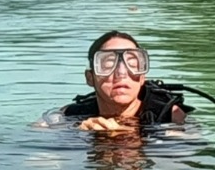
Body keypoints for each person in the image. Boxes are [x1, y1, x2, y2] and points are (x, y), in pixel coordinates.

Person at [55, 30, 194, 133]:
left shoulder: (171, 115)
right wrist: (78, 136)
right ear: (90, 78)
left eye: (132, 65)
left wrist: (127, 138)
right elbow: (40, 159)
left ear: (142, 77)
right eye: (108, 65)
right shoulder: (70, 115)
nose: (121, 73)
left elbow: (183, 159)